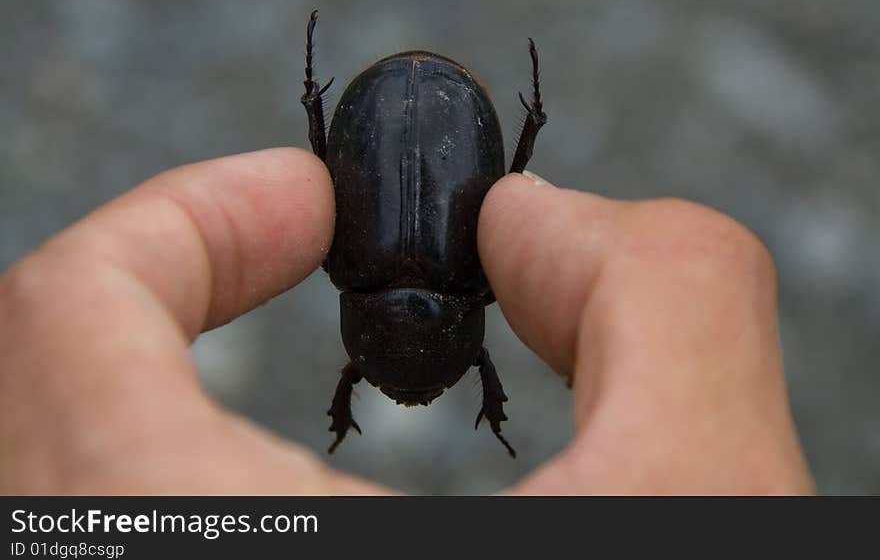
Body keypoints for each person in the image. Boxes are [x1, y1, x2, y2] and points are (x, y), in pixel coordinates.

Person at [0, 148, 814, 494]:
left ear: (359, 347)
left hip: (386, 133)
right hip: (443, 133)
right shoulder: (365, 271)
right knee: (509, 206)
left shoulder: (363, 268)